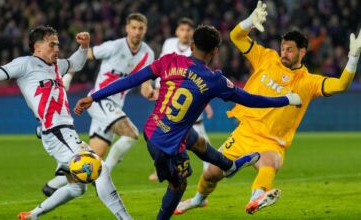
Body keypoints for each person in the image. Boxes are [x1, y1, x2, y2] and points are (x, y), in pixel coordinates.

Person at [73, 24, 302, 220]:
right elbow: (251, 99)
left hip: (153, 130)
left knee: (198, 141)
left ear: (192, 46)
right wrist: (285, 99)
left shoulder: (168, 61)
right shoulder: (215, 80)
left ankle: (229, 166)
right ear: (214, 52)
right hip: (166, 147)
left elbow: (131, 80)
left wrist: (93, 96)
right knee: (179, 185)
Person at [175, 1, 361, 215]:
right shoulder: (266, 58)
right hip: (245, 133)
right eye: (283, 48)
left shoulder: (308, 82)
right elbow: (236, 37)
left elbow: (340, 85)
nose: (284, 53)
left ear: (302, 52)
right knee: (211, 173)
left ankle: (257, 197)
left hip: (271, 142)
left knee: (269, 161)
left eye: (290, 50)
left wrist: (353, 58)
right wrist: (248, 22)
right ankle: (199, 199)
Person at [0, 26, 132, 220]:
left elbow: (76, 64)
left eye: (58, 44)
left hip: (63, 131)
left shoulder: (56, 66)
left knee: (76, 188)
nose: (57, 49)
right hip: (56, 131)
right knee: (100, 168)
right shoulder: (25, 64)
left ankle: (33, 215)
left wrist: (84, 47)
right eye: (52, 44)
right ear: (37, 47)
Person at [42, 12, 156, 196]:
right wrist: (69, 75)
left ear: (145, 30)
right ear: (127, 28)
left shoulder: (148, 54)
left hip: (114, 106)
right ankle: (104, 177)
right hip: (99, 99)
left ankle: (52, 185)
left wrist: (153, 93)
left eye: (140, 28)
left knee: (93, 158)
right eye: (133, 28)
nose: (136, 32)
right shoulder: (114, 46)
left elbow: (145, 87)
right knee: (131, 134)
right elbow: (86, 54)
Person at [148, 17, 214, 182]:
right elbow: (161, 64)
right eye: (182, 30)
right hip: (171, 92)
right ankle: (166, 168)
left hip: (190, 93)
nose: (185, 33)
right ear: (177, 31)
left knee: (194, 131)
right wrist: (157, 86)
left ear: (192, 33)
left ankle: (208, 170)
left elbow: (203, 75)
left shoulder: (195, 51)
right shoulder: (169, 44)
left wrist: (206, 103)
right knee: (167, 131)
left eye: (188, 30)